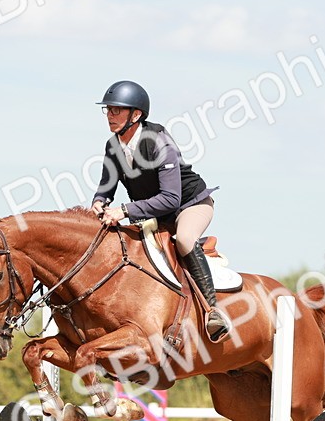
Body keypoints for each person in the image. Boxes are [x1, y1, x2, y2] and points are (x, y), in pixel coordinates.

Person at [90, 80, 229, 343]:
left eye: (117, 110)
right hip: (155, 215)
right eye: (108, 110)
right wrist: (99, 201)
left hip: (189, 205)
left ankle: (213, 311)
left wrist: (124, 210)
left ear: (136, 114)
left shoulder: (158, 140)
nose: (110, 115)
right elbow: (106, 186)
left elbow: (170, 199)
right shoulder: (113, 146)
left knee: (186, 240)